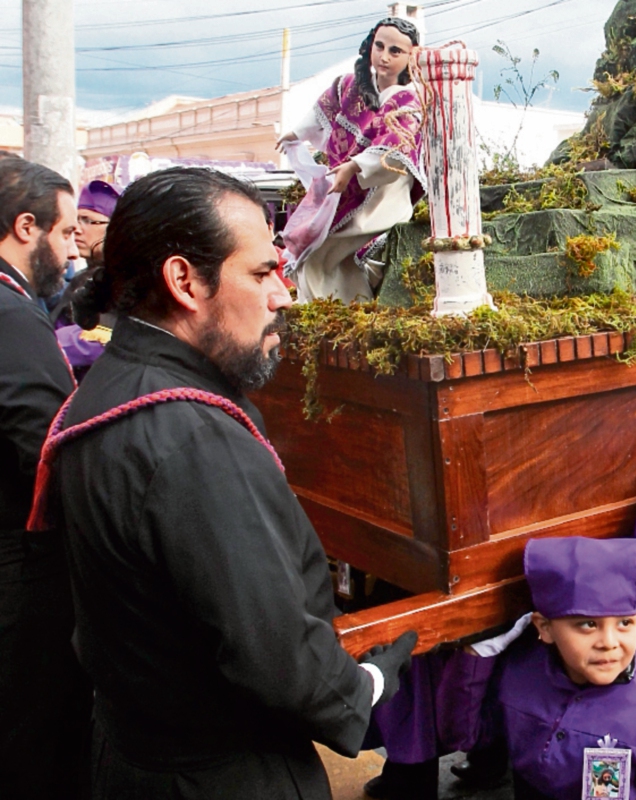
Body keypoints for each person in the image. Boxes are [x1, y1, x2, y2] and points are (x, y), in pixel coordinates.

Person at [37, 167, 418, 799]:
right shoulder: (193, 437)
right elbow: (279, 659)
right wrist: (368, 685)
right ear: (184, 281)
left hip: (134, 757)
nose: (284, 296)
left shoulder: (112, 384)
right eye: (263, 273)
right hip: (221, 775)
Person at [438, 536, 636, 800]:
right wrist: (477, 656)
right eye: (588, 624)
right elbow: (462, 736)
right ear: (545, 627)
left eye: (625, 623)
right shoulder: (517, 676)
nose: (609, 643)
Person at [0, 157, 89, 800]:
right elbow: (48, 451)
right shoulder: (10, 315)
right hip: (21, 574)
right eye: (64, 232)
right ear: (25, 227)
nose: (73, 248)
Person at [277, 17, 425, 303]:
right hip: (345, 186)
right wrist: (297, 133)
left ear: (411, 56)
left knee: (329, 248)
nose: (384, 57)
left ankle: (339, 303)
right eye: (379, 46)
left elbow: (397, 148)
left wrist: (356, 166)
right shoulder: (349, 86)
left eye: (395, 51)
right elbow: (322, 110)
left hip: (383, 193)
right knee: (317, 246)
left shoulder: (409, 101)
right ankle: (335, 302)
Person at [54, 180, 123, 374]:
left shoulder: (123, 279)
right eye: (77, 219)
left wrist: (44, 344)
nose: (77, 228)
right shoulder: (81, 276)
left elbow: (99, 339)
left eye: (88, 220)